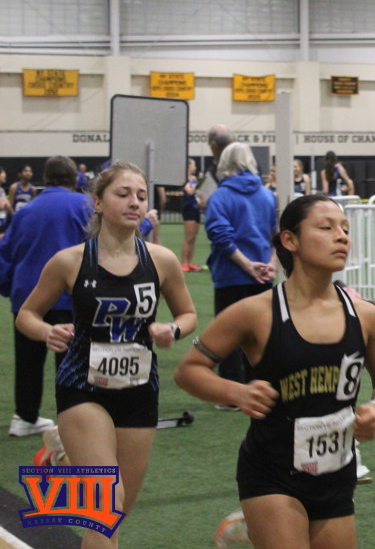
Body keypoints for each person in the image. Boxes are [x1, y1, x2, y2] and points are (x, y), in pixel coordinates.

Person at [174, 194, 375, 549]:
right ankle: (258, 524)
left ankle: (250, 531)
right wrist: (238, 392)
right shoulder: (256, 312)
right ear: (290, 240)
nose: (341, 236)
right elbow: (189, 370)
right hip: (272, 473)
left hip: (336, 473)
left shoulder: (366, 315)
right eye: (326, 227)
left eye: (345, 228)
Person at [14, 161, 197, 547]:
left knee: (111, 518)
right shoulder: (70, 261)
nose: (135, 202)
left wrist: (173, 329)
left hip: (140, 391)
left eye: (141, 196)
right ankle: (67, 453)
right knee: (105, 508)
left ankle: (62, 458)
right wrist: (48, 331)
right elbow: (26, 315)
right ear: (97, 202)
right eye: (123, 194)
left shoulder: (161, 260)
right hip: (83, 388)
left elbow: (188, 314)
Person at [0, 156, 93, 437]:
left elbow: (6, 253)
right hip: (69, 295)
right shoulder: (84, 205)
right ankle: (74, 420)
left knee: (28, 361)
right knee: (72, 361)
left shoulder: (26, 210)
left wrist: (9, 288)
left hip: (28, 296)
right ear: (74, 179)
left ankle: (25, 417)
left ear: (45, 178)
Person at [204, 142, 278, 391]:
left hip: (231, 275)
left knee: (228, 334)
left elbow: (221, 236)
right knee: (260, 333)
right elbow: (276, 234)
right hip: (263, 276)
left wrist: (247, 266)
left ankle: (232, 389)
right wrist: (271, 264)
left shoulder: (220, 197)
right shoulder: (268, 195)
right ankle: (260, 385)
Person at [181, 158, 205, 272]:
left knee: (194, 237)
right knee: (188, 237)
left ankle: (190, 261)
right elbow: (189, 190)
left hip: (195, 208)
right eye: (193, 165)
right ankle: (184, 262)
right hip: (188, 208)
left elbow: (194, 192)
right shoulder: (184, 179)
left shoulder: (193, 179)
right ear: (188, 166)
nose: (195, 167)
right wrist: (193, 181)